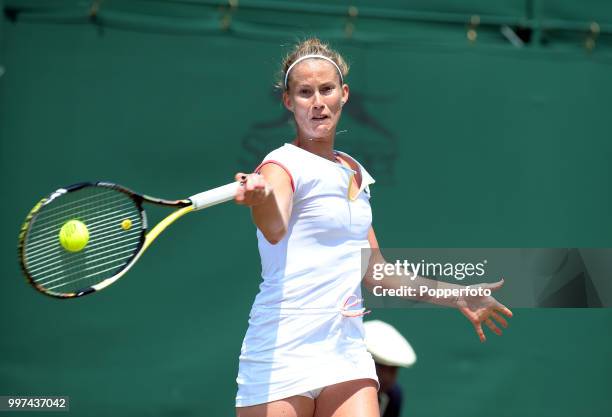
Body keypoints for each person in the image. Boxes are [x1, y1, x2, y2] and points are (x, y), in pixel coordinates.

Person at [232, 38, 513, 417]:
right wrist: (261, 199)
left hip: (345, 352)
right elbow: (275, 227)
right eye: (304, 92)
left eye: (327, 89)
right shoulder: (279, 166)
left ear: (343, 94)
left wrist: (457, 296)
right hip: (280, 351)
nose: (317, 102)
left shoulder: (353, 171)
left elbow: (377, 273)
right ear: (288, 101)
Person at [364, 320, 417, 417]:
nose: (386, 377)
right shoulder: (333, 388)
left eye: (393, 369)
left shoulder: (393, 396)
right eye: (379, 367)